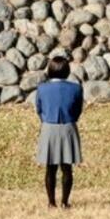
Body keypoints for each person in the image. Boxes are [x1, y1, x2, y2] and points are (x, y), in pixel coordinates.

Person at [33, 54, 84, 209]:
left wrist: (46, 121)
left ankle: (51, 202)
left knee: (50, 168)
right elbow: (77, 110)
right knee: (67, 167)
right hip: (68, 126)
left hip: (49, 127)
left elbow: (39, 109)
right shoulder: (76, 88)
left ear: (50, 70)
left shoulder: (42, 88)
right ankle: (65, 202)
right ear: (67, 71)